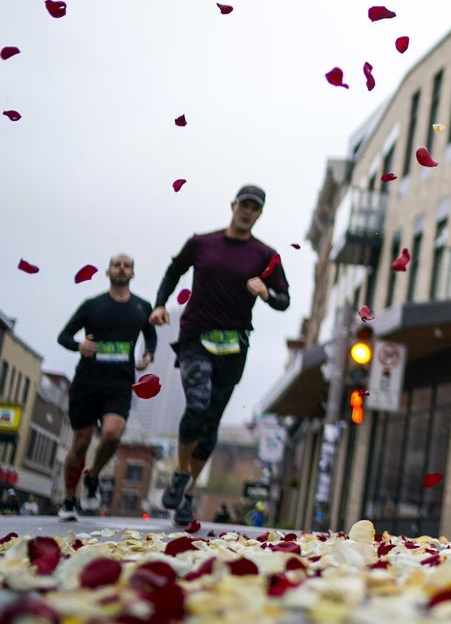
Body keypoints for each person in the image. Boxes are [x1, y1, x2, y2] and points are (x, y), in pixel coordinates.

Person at [150, 185, 290, 527]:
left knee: (210, 425)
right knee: (196, 406)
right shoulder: (202, 243)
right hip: (196, 336)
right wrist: (159, 304)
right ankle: (181, 474)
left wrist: (267, 292)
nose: (247, 211)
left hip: (235, 345)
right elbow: (174, 271)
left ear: (259, 214)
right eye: (243, 204)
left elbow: (284, 299)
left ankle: (186, 492)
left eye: (254, 208)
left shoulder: (265, 256)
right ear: (232, 206)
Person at [57, 254, 157, 521]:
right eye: (117, 264)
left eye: (127, 265)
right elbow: (63, 336)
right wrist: (79, 345)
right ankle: (69, 498)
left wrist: (148, 354)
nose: (122, 269)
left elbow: (151, 335)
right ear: (108, 271)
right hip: (88, 382)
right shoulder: (93, 305)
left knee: (112, 435)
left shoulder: (141, 307)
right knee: (82, 441)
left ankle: (93, 475)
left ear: (133, 274)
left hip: (119, 383)